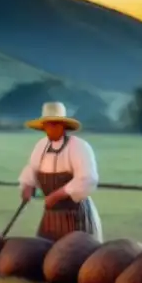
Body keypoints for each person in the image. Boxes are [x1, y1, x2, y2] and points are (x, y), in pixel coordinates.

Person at [18, 102, 102, 242]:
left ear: (62, 125)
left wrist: (58, 195)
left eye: (53, 125)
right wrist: (27, 186)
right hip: (51, 219)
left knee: (77, 256)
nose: (49, 129)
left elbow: (87, 178)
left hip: (77, 217)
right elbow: (31, 169)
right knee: (44, 256)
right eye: (47, 125)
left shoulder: (79, 147)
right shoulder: (41, 146)